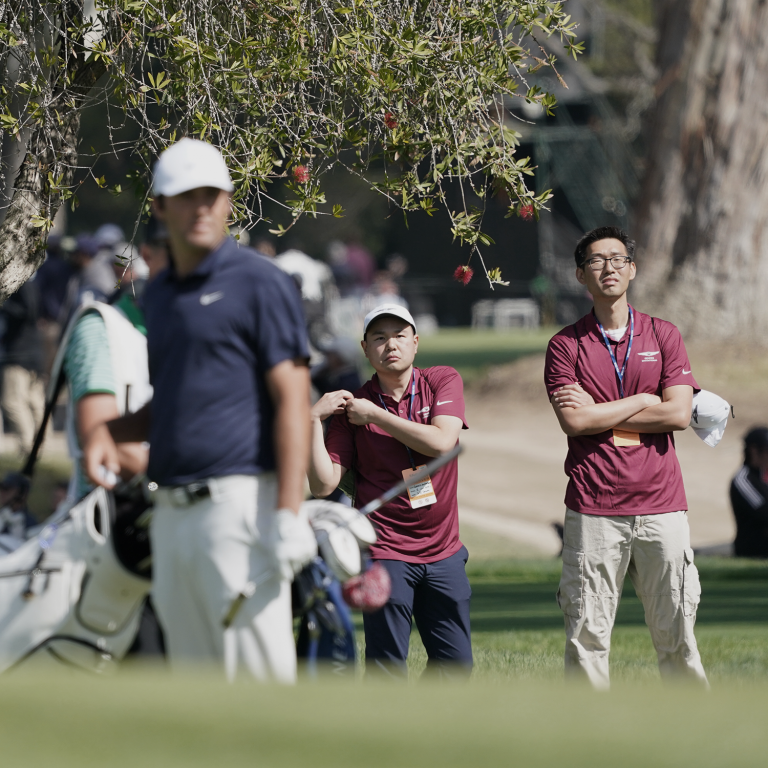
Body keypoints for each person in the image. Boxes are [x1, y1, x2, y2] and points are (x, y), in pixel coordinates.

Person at [83, 138, 317, 682]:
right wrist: (109, 431)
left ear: (229, 200)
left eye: (212, 195)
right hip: (171, 517)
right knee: (195, 702)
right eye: (186, 197)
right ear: (161, 206)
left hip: (240, 509)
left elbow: (291, 398)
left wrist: (287, 512)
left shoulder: (263, 283)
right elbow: (177, 399)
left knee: (258, 700)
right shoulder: (159, 294)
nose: (202, 208)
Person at [544, 225, 708, 689]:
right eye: (596, 260)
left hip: (662, 506)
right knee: (586, 636)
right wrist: (641, 399)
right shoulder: (565, 345)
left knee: (677, 635)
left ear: (632, 270)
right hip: (594, 508)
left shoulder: (664, 334)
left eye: (618, 259)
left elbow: (678, 414)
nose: (608, 267)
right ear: (580, 275)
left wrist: (601, 411)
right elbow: (575, 424)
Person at [308, 303, 472, 678]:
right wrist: (312, 420)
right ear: (365, 349)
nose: (391, 345)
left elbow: (443, 442)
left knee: (456, 667)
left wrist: (377, 416)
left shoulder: (441, 380)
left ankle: (429, 731)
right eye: (379, 338)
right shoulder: (350, 409)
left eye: (399, 336)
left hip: (444, 551)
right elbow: (323, 484)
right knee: (386, 667)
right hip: (386, 551)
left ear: (415, 342)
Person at [0, 278, 46, 455]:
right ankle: (41, 445)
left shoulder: (21, 284)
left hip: (19, 354)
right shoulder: (31, 284)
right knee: (34, 402)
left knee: (13, 402)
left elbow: (29, 311)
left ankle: (28, 447)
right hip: (31, 353)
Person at [730, 426, 768, 558]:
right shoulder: (743, 480)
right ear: (754, 451)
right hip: (755, 551)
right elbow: (764, 513)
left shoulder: (762, 477)